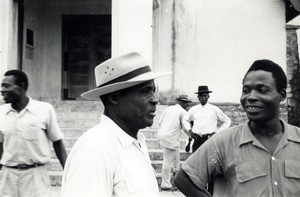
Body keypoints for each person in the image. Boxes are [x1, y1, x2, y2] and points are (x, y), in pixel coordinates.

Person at [174, 59, 300, 197]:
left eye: (262, 90)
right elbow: (183, 179)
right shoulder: (223, 143)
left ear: (282, 95)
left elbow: (225, 120)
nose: (251, 97)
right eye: (246, 90)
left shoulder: (297, 139)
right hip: (200, 140)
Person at [61, 52, 170, 197]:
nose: (155, 100)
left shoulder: (134, 141)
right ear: (114, 97)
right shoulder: (95, 150)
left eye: (154, 91)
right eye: (145, 91)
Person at [0, 69, 67, 197]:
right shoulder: (1, 112)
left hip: (36, 177)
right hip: (8, 177)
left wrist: (68, 171)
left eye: (7, 86)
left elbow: (57, 143)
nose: (2, 90)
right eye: (2, 86)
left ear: (22, 86)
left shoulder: (44, 109)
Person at [157, 94, 192, 191]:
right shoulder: (183, 112)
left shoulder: (168, 109)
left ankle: (176, 177)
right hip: (170, 138)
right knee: (168, 162)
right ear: (182, 103)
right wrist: (191, 135)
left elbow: (160, 122)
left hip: (162, 135)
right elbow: (185, 127)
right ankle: (165, 184)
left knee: (176, 157)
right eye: (186, 103)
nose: (187, 105)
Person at [184, 85, 231, 153]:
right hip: (197, 140)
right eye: (200, 96)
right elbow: (185, 119)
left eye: (204, 96)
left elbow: (227, 121)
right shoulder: (194, 109)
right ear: (198, 97)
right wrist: (190, 131)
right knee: (196, 161)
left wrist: (217, 133)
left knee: (209, 161)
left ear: (208, 96)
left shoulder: (214, 109)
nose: (202, 98)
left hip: (209, 140)